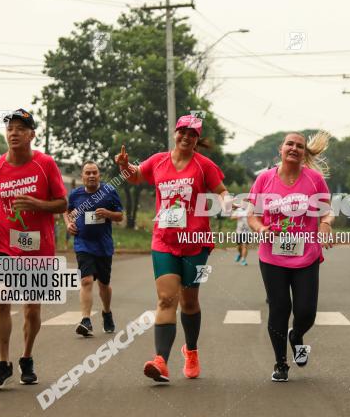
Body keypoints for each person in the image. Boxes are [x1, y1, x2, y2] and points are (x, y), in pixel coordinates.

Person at [116, 114, 228, 382]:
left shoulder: (204, 166)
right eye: (182, 132)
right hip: (164, 241)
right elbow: (136, 176)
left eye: (192, 134)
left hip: (196, 243)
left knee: (189, 302)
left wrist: (226, 202)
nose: (186, 138)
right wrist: (124, 167)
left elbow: (221, 191)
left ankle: (190, 351)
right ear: (175, 133)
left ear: (197, 140)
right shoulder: (158, 161)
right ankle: (161, 362)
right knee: (166, 299)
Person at [0, 109, 68, 389]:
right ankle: (3, 363)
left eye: (20, 128)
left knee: (31, 309)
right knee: (2, 297)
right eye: (10, 128)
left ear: (32, 134)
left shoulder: (45, 164)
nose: (14, 133)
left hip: (38, 247)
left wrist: (38, 205)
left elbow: (63, 203)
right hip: (5, 244)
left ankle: (26, 357)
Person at [247, 131, 334, 382]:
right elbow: (253, 215)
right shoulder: (264, 179)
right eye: (290, 144)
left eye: (299, 146)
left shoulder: (314, 180)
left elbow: (327, 212)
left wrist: (325, 225)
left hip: (306, 254)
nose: (294, 148)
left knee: (306, 311)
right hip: (272, 256)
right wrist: (261, 228)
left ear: (304, 152)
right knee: (279, 308)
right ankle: (281, 363)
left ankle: (296, 336)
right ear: (281, 149)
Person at [67, 161, 124, 337]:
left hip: (103, 245)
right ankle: (86, 320)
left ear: (99, 175)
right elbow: (69, 212)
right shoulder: (75, 195)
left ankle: (106, 312)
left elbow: (120, 215)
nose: (91, 176)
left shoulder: (109, 192)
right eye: (88, 173)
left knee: (104, 284)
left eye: (94, 173)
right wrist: (69, 223)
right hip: (83, 243)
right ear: (82, 176)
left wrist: (108, 214)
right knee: (86, 280)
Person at [232, 200, 250, 266]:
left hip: (248, 231)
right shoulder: (238, 210)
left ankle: (243, 260)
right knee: (239, 246)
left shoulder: (250, 210)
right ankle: (240, 254)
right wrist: (238, 216)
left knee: (245, 246)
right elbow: (232, 217)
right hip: (239, 231)